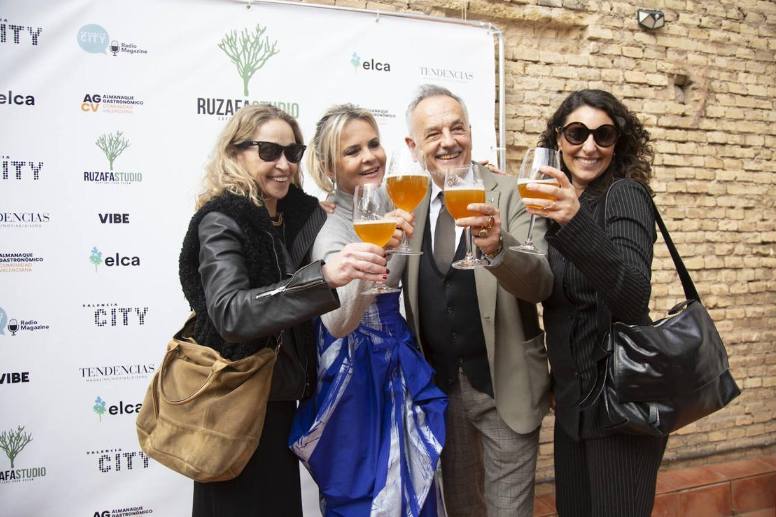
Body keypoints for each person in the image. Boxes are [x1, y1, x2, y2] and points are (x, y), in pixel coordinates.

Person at [177, 104, 389, 517]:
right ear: (236, 153)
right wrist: (322, 278)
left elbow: (348, 206)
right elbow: (231, 313)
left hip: (277, 397)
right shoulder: (221, 220)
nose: (283, 165)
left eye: (292, 154)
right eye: (269, 151)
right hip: (233, 399)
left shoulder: (295, 214)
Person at [403, 84, 554, 516]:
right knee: (464, 509)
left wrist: (496, 248)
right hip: (442, 393)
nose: (448, 141)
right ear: (414, 146)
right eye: (433, 134)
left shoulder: (510, 194)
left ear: (471, 132)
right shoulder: (409, 206)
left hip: (504, 389)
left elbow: (540, 281)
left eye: (457, 129)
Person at [289, 104, 447, 516]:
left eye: (373, 144)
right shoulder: (330, 229)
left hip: (398, 360)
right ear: (328, 165)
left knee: (416, 491)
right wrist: (377, 252)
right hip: (355, 378)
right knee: (364, 496)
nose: (369, 157)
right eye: (352, 150)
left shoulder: (388, 204)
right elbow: (340, 324)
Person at [524, 89, 664, 516]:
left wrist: (573, 219)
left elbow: (633, 294)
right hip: (574, 404)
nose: (589, 146)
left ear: (617, 144)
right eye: (577, 132)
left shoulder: (625, 195)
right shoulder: (555, 207)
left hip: (621, 403)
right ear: (558, 140)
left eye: (604, 135)